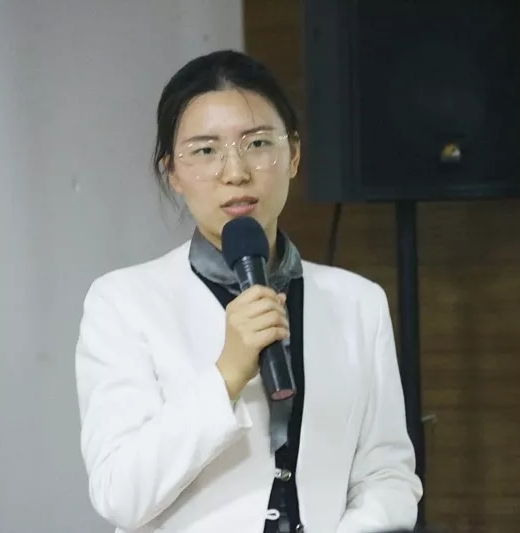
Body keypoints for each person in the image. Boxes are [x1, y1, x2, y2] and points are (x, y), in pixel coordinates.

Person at [74, 49, 423, 533]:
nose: (235, 171)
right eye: (205, 151)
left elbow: (388, 476)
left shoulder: (358, 302)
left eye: (257, 143)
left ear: (293, 154)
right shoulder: (123, 303)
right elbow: (119, 494)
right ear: (172, 173)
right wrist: (227, 374)